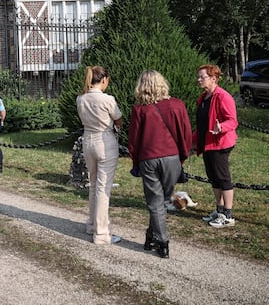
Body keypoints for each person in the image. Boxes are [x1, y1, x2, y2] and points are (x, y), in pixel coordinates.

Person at [127, 70, 192, 258]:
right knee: (161, 201)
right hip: (172, 157)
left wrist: (135, 160)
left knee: (156, 202)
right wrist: (182, 156)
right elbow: (185, 132)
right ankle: (151, 237)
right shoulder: (177, 105)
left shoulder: (139, 109)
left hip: (149, 158)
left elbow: (134, 140)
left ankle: (162, 242)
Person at [76, 65, 123, 245]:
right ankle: (102, 233)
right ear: (103, 80)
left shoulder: (81, 99)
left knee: (94, 184)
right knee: (104, 188)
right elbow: (118, 119)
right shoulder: (108, 99)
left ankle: (92, 224)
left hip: (88, 139)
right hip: (105, 141)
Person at [195, 64, 238, 228]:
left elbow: (232, 121)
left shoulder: (223, 96)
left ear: (213, 79)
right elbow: (202, 124)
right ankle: (219, 210)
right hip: (208, 144)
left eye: (202, 77)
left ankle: (228, 215)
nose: (199, 80)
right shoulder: (204, 97)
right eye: (198, 77)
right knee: (213, 178)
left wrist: (221, 127)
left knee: (223, 178)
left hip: (220, 143)